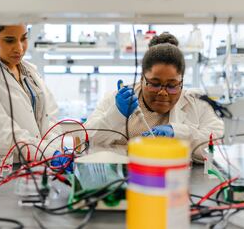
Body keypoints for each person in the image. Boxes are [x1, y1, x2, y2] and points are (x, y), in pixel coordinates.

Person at [85, 43, 223, 159]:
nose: (163, 92)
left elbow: (218, 144)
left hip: (174, 178)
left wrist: (178, 133)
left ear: (181, 82)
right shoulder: (117, 98)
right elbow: (87, 138)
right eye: (154, 84)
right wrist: (116, 114)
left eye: (172, 86)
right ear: (142, 79)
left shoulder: (196, 103)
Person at [0, 25, 71, 168]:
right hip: (6, 169)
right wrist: (50, 154)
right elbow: (2, 134)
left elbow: (49, 117)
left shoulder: (30, 71)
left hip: (40, 164)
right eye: (9, 40)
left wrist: (55, 148)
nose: (19, 48)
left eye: (24, 38)